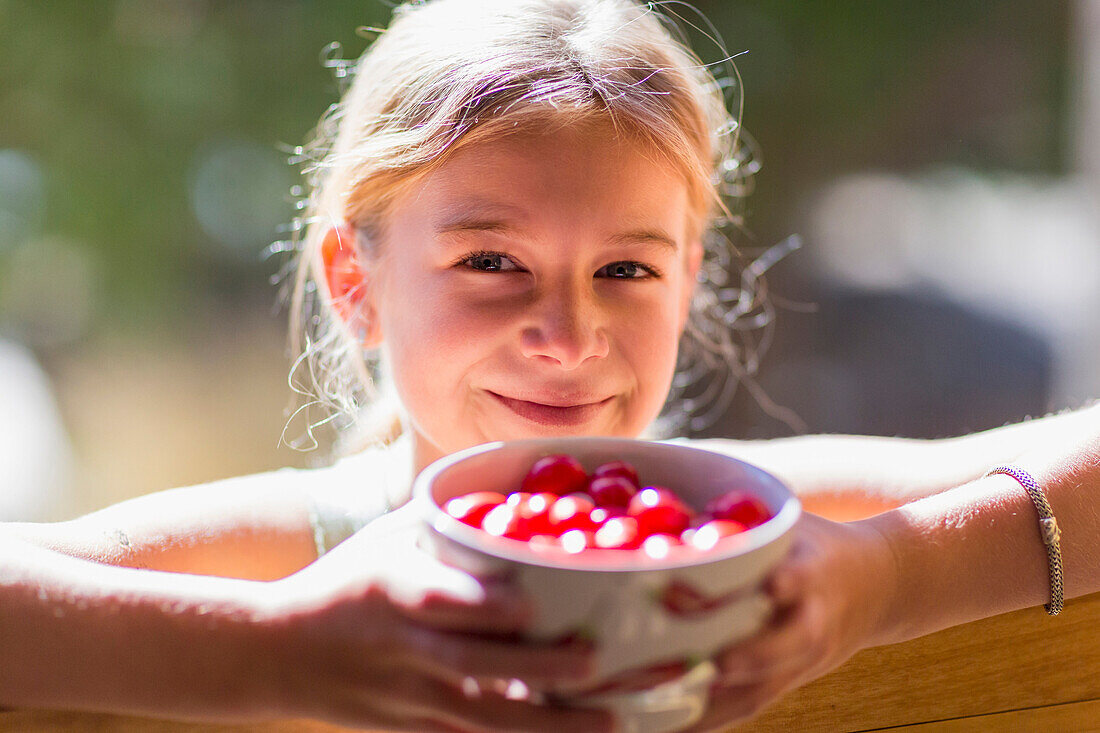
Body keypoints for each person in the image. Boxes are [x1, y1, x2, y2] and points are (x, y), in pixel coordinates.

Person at [2, 1, 1098, 731]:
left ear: (688, 280)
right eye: (490, 260)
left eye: (624, 267)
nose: (567, 336)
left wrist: (885, 580)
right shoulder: (304, 552)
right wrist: (283, 651)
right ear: (354, 281)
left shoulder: (736, 529)